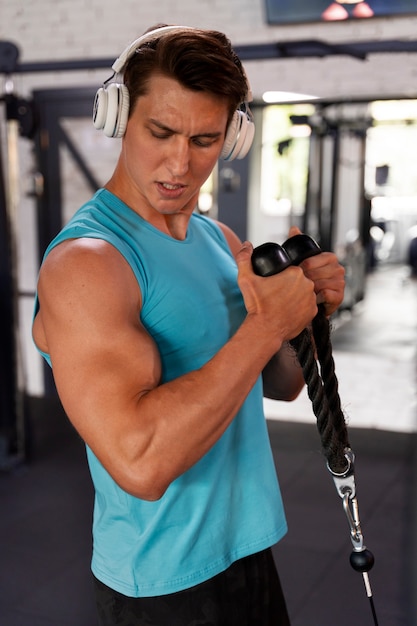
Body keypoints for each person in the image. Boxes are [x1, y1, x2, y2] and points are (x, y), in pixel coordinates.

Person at [32, 24, 345, 626]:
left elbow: (279, 382)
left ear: (232, 137)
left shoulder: (217, 238)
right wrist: (262, 328)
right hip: (161, 583)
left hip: (248, 549)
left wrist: (305, 314)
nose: (181, 164)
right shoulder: (89, 265)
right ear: (120, 115)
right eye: (161, 132)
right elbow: (140, 463)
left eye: (204, 139)